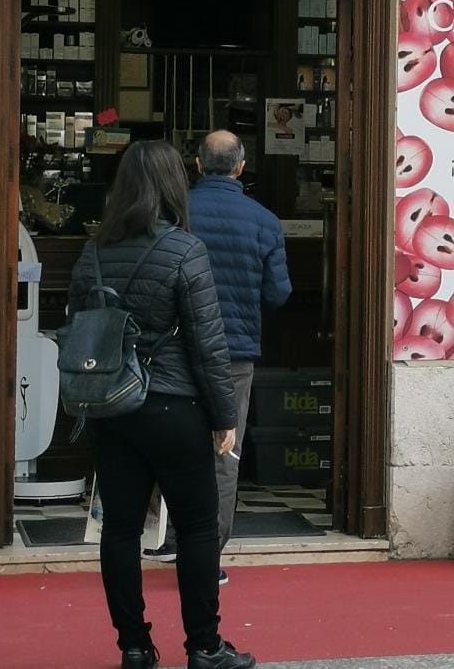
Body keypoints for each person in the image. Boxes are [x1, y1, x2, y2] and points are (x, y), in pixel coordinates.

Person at [68, 141, 255, 669]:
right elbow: (207, 342)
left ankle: (133, 645)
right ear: (176, 183)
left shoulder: (94, 250)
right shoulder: (184, 250)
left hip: (112, 404)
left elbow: (79, 324)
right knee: (197, 526)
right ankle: (204, 647)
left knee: (121, 529)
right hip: (174, 405)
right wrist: (224, 416)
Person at [144, 131, 290, 579]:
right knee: (225, 452)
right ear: (241, 167)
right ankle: (208, 553)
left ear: (199, 164)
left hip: (176, 349)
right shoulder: (264, 221)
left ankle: (170, 538)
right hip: (234, 352)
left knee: (171, 444)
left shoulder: (173, 213)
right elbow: (278, 293)